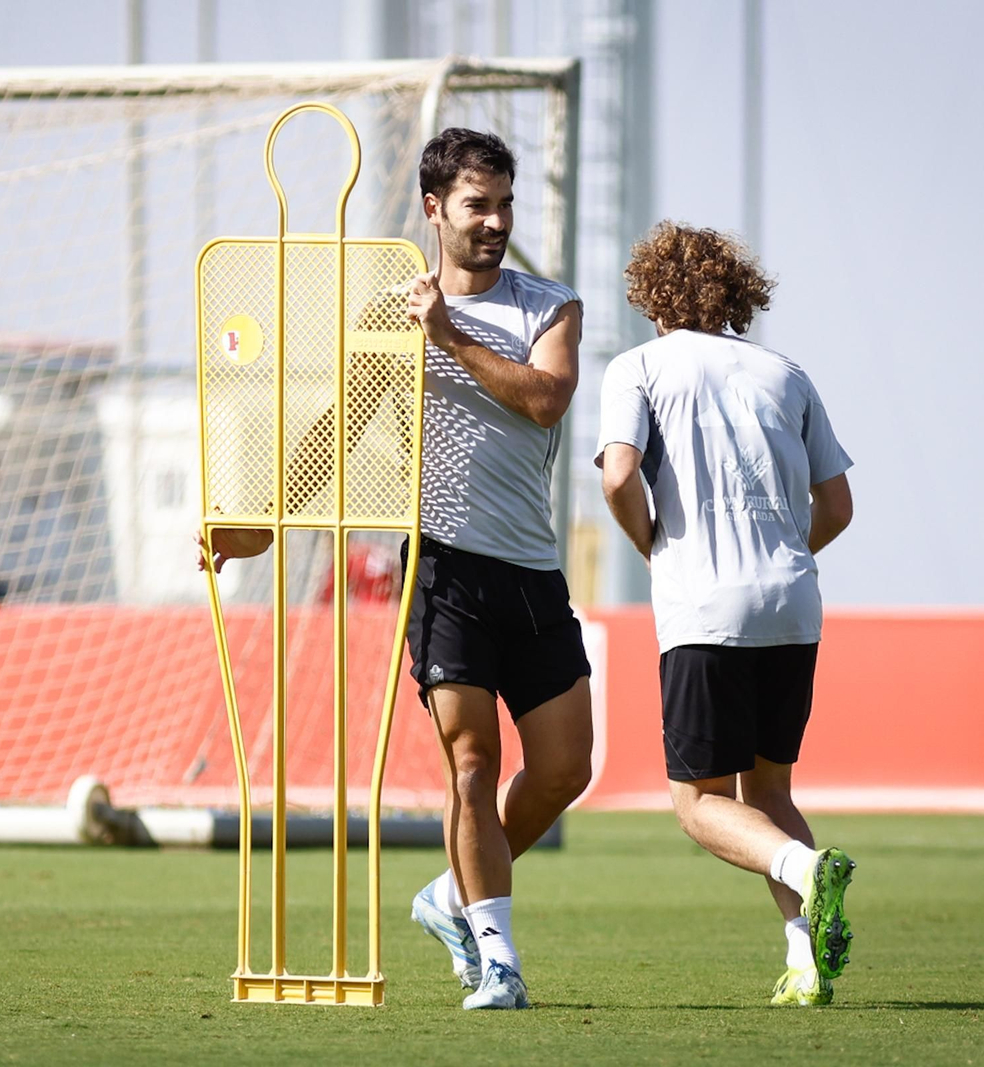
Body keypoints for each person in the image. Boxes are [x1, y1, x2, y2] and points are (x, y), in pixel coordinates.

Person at [198, 128, 593, 1011]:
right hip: (443, 567)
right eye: (476, 205)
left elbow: (545, 400)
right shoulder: (389, 311)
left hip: (531, 570)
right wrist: (262, 527)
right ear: (432, 210)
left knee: (567, 769)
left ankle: (450, 896)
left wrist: (447, 335)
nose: (494, 221)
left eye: (504, 204)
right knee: (473, 762)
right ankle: (499, 960)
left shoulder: (551, 305)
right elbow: (341, 424)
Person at [595, 221, 857, 1007]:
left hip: (705, 606)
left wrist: (653, 546)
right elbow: (838, 505)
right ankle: (806, 966)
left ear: (651, 293)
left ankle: (812, 872)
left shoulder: (638, 365)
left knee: (699, 803)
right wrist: (784, 557)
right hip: (793, 603)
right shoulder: (786, 372)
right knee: (770, 793)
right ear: (737, 294)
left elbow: (617, 477)